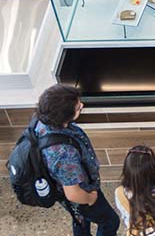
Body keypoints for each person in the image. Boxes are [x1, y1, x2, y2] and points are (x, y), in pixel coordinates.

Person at [34, 84, 120, 236]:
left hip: (66, 189)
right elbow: (73, 194)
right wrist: (90, 198)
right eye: (78, 107)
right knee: (110, 222)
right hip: (82, 193)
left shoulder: (44, 121)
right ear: (64, 116)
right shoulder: (63, 154)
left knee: (80, 219)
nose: (82, 105)